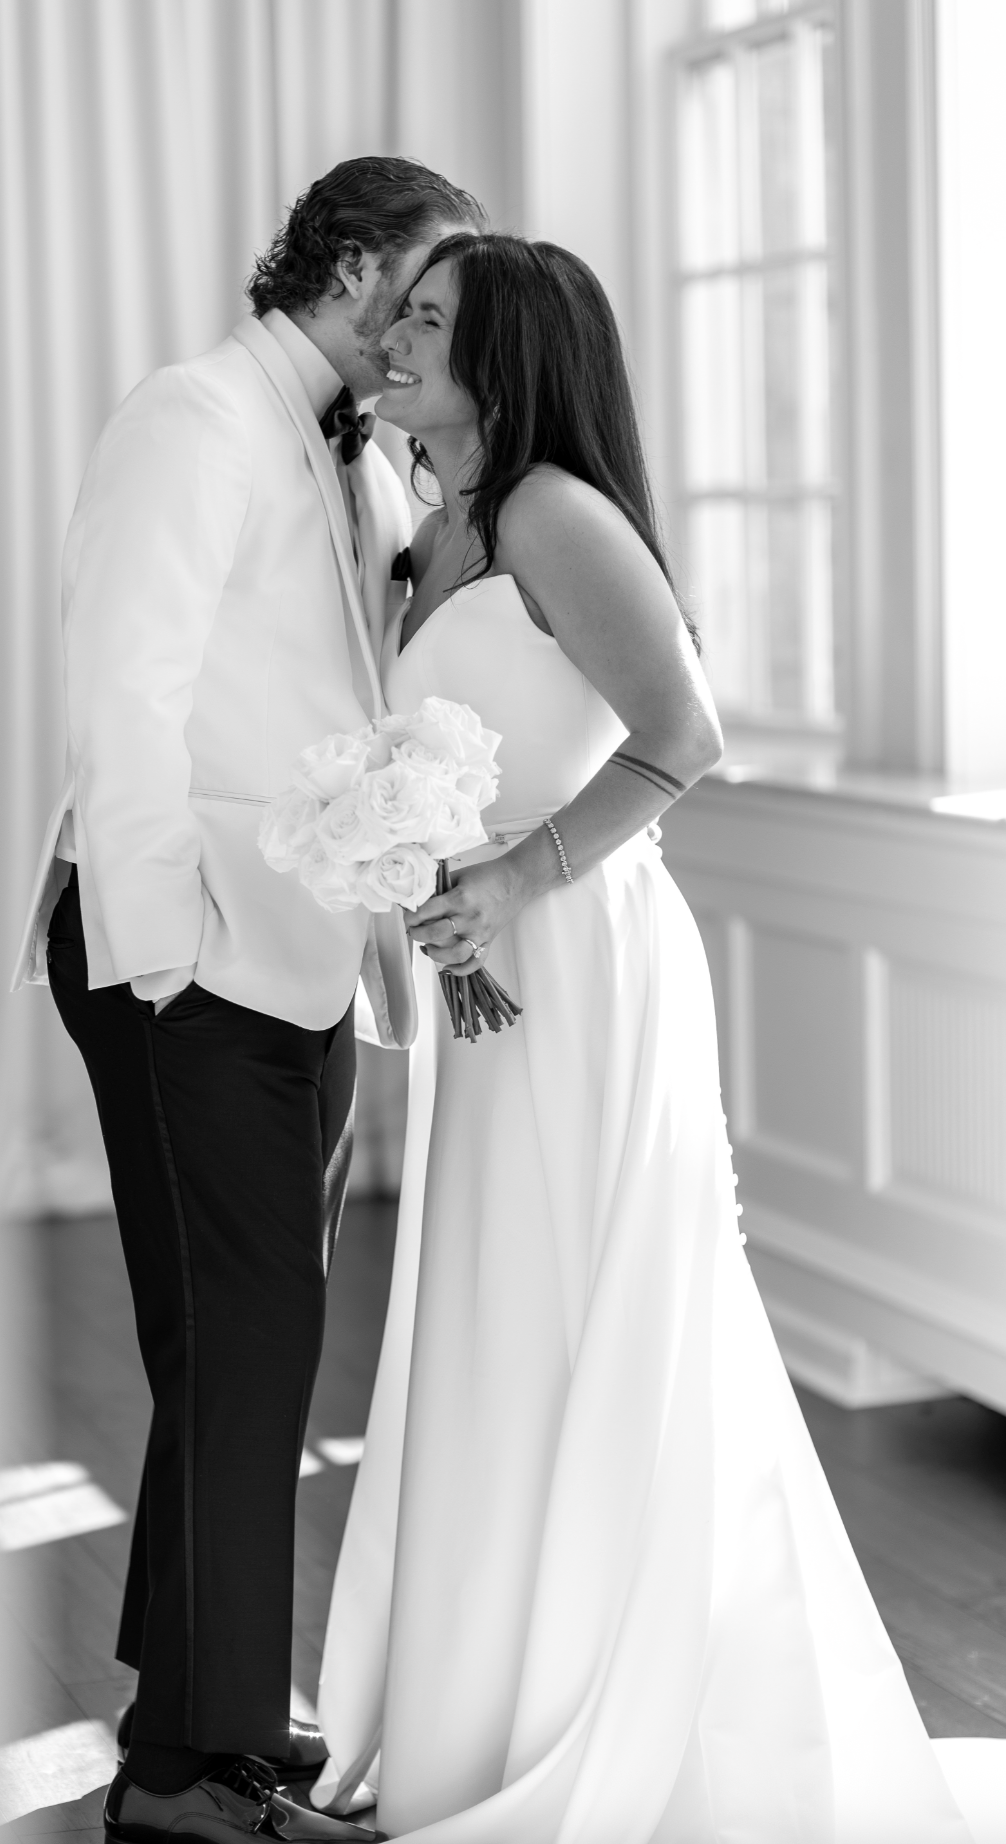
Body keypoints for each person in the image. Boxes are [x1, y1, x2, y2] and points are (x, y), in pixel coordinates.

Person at [312, 233, 1006, 1841]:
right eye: (395, 314)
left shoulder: (554, 513)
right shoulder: (435, 524)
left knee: (591, 1315)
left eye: (428, 322)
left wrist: (508, 874)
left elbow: (677, 738)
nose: (393, 340)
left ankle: (615, 1716)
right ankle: (476, 1716)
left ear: (514, 360)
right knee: (498, 1325)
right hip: (487, 965)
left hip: (583, 957)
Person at [10, 158, 484, 1844]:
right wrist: (156, 965)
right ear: (346, 266)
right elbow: (120, 698)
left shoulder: (354, 454)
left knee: (237, 1357)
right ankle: (182, 1781)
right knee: (249, 1342)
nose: (434, 321)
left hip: (293, 957)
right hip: (182, 951)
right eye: (420, 288)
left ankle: (196, 1721)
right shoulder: (192, 417)